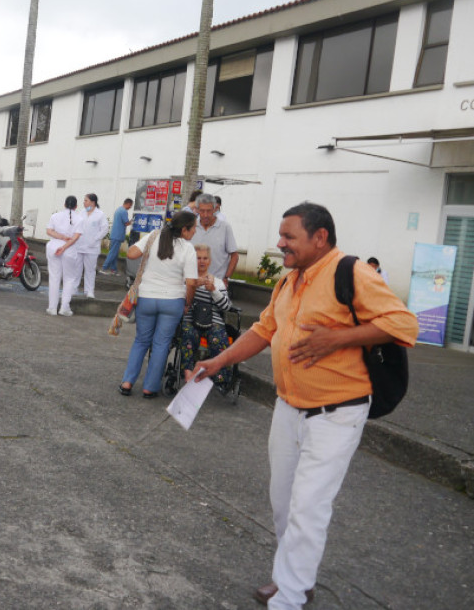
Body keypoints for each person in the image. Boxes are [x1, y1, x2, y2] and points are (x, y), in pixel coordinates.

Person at [187, 202, 418, 609]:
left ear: (319, 237)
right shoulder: (289, 281)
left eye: (288, 236)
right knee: (283, 503)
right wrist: (219, 361)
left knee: (308, 507)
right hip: (289, 407)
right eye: (281, 235)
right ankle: (295, 578)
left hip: (337, 413)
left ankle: (289, 597)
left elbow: (404, 323)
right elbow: (264, 330)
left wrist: (338, 338)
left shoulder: (351, 273)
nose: (280, 244)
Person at [118, 210, 198, 397]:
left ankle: (127, 382)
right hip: (173, 300)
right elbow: (192, 282)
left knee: (141, 341)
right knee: (161, 344)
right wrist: (188, 302)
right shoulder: (188, 248)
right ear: (184, 230)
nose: (195, 231)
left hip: (146, 297)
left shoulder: (154, 236)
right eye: (194, 228)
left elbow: (131, 253)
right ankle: (149, 388)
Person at [180, 243, 232, 382]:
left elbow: (226, 307)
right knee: (188, 333)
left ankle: (221, 379)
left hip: (213, 320)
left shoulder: (218, 282)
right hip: (191, 319)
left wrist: (213, 290)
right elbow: (179, 301)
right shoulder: (186, 280)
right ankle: (188, 373)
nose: (202, 261)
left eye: (205, 258)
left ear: (209, 261)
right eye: (198, 258)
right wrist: (192, 286)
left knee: (218, 339)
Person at [45, 196, 82, 316]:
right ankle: (64, 308)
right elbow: (75, 238)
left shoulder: (55, 216)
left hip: (53, 247)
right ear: (76, 206)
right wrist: (64, 247)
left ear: (64, 204)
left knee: (54, 278)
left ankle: (52, 308)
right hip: (69, 250)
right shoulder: (79, 219)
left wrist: (61, 238)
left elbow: (49, 231)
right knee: (69, 279)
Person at [191, 193, 238, 284]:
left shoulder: (225, 227)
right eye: (202, 211)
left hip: (217, 284)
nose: (205, 215)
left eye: (208, 211)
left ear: (215, 209)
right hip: (193, 283)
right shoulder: (191, 227)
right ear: (197, 210)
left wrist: (226, 278)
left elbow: (234, 256)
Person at [76, 193, 109, 298]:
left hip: (92, 247)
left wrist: (95, 239)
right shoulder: (81, 212)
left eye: (86, 200)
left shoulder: (100, 214)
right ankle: (74, 288)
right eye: (84, 200)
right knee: (77, 269)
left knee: (90, 270)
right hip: (79, 245)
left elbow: (105, 229)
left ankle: (89, 291)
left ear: (92, 202)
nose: (84, 202)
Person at [100, 198, 132, 275]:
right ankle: (104, 268)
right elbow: (126, 223)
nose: (130, 207)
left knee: (115, 253)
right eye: (130, 206)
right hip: (118, 235)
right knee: (113, 253)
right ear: (128, 204)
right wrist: (132, 221)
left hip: (115, 234)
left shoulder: (118, 210)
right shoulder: (124, 211)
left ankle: (113, 269)